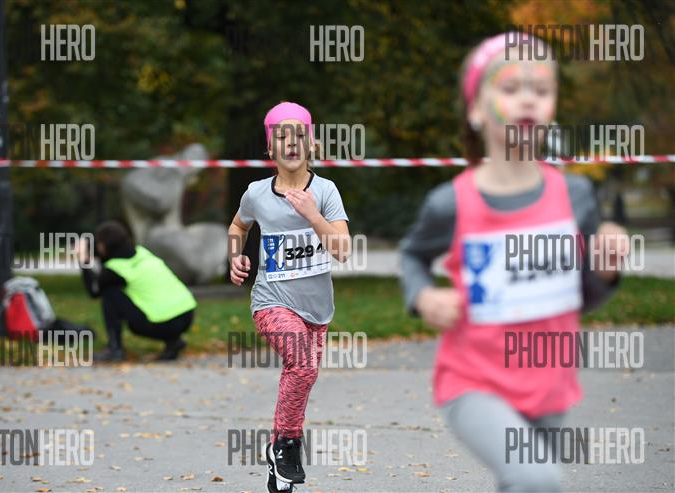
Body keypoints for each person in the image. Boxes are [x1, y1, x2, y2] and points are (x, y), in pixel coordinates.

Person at [399, 33, 629, 492]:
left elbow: (582, 296)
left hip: (551, 384)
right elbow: (411, 256)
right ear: (476, 109)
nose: (528, 99)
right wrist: (423, 296)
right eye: (510, 88)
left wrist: (605, 268)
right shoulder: (450, 203)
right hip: (473, 382)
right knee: (537, 479)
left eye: (541, 89)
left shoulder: (576, 196)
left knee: (523, 485)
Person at [227, 102, 351, 492]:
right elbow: (238, 226)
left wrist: (314, 215)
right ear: (271, 148)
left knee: (301, 373)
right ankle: (288, 446)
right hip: (270, 301)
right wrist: (235, 256)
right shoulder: (256, 193)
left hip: (317, 308)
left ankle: (278, 460)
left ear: (310, 143)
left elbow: (343, 250)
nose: (291, 142)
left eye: (299, 134)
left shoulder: (326, 191)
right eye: (281, 136)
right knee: (302, 360)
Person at [77, 220, 197, 362]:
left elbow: (94, 290)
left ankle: (114, 349)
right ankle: (174, 341)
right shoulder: (143, 253)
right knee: (148, 298)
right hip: (187, 315)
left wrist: (83, 261)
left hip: (164, 324)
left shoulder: (116, 269)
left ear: (103, 246)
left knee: (110, 294)